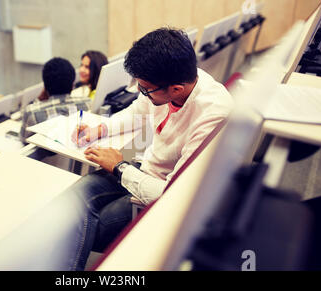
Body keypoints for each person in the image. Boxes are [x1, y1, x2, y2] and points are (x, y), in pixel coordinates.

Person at [58, 27, 234, 270]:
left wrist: (119, 167)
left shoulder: (213, 114)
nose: (141, 93)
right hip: (142, 169)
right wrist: (101, 129)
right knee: (71, 206)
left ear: (176, 90)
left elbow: (172, 194)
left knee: (82, 229)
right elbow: (137, 112)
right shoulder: (172, 78)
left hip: (158, 192)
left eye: (144, 89)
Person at [19, 57, 92, 145]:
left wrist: (38, 99)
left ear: (45, 86)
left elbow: (23, 140)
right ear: (73, 84)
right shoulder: (88, 103)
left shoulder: (31, 111)